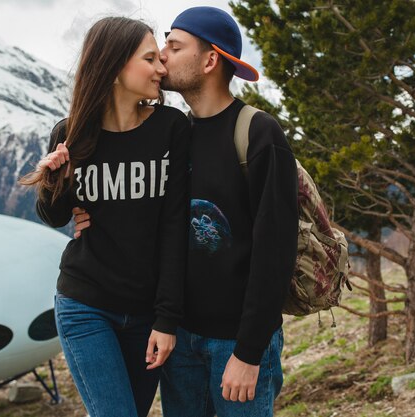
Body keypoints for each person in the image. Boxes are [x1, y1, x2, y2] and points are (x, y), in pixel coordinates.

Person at [74, 6, 298, 417]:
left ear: (210, 60)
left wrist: (249, 353)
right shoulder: (172, 133)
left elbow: (275, 252)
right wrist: (85, 212)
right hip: (177, 339)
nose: (162, 58)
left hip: (237, 342)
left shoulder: (258, 133)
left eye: (174, 47)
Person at [19, 17, 190, 417]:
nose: (162, 68)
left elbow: (175, 227)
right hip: (86, 304)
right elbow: (54, 214)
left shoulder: (171, 128)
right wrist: (53, 177)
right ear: (115, 66)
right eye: (150, 59)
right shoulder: (72, 133)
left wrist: (167, 320)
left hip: (148, 312)